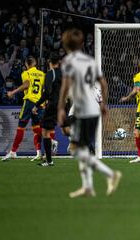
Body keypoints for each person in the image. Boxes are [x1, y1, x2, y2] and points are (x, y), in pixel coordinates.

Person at [57, 28, 121, 198]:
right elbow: (104, 84)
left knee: (77, 150)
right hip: (93, 110)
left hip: (81, 110)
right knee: (82, 148)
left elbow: (65, 87)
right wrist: (104, 104)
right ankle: (87, 187)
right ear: (82, 44)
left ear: (65, 45)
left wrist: (60, 109)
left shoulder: (68, 62)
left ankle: (110, 174)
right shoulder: (91, 61)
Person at [2, 56, 45, 162]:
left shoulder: (26, 73)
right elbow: (44, 89)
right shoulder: (42, 74)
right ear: (35, 63)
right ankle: (40, 151)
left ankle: (13, 152)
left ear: (26, 64)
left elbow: (26, 85)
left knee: (21, 127)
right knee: (36, 128)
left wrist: (13, 92)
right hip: (39, 103)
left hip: (29, 102)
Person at [32, 52, 61, 167]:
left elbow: (47, 92)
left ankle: (49, 161)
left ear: (49, 62)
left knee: (44, 131)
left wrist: (37, 105)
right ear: (58, 62)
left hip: (53, 104)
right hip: (63, 104)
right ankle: (52, 146)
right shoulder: (64, 74)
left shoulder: (50, 74)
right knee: (51, 129)